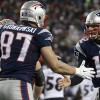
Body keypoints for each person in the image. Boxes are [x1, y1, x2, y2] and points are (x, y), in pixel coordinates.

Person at [0, 1, 95, 100]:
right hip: (19, 85)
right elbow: (55, 66)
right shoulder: (40, 33)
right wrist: (77, 71)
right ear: (38, 16)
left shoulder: (4, 28)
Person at [57, 10, 100, 99]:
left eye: (94, 27)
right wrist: (71, 81)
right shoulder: (84, 45)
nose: (90, 29)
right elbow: (82, 72)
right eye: (89, 26)